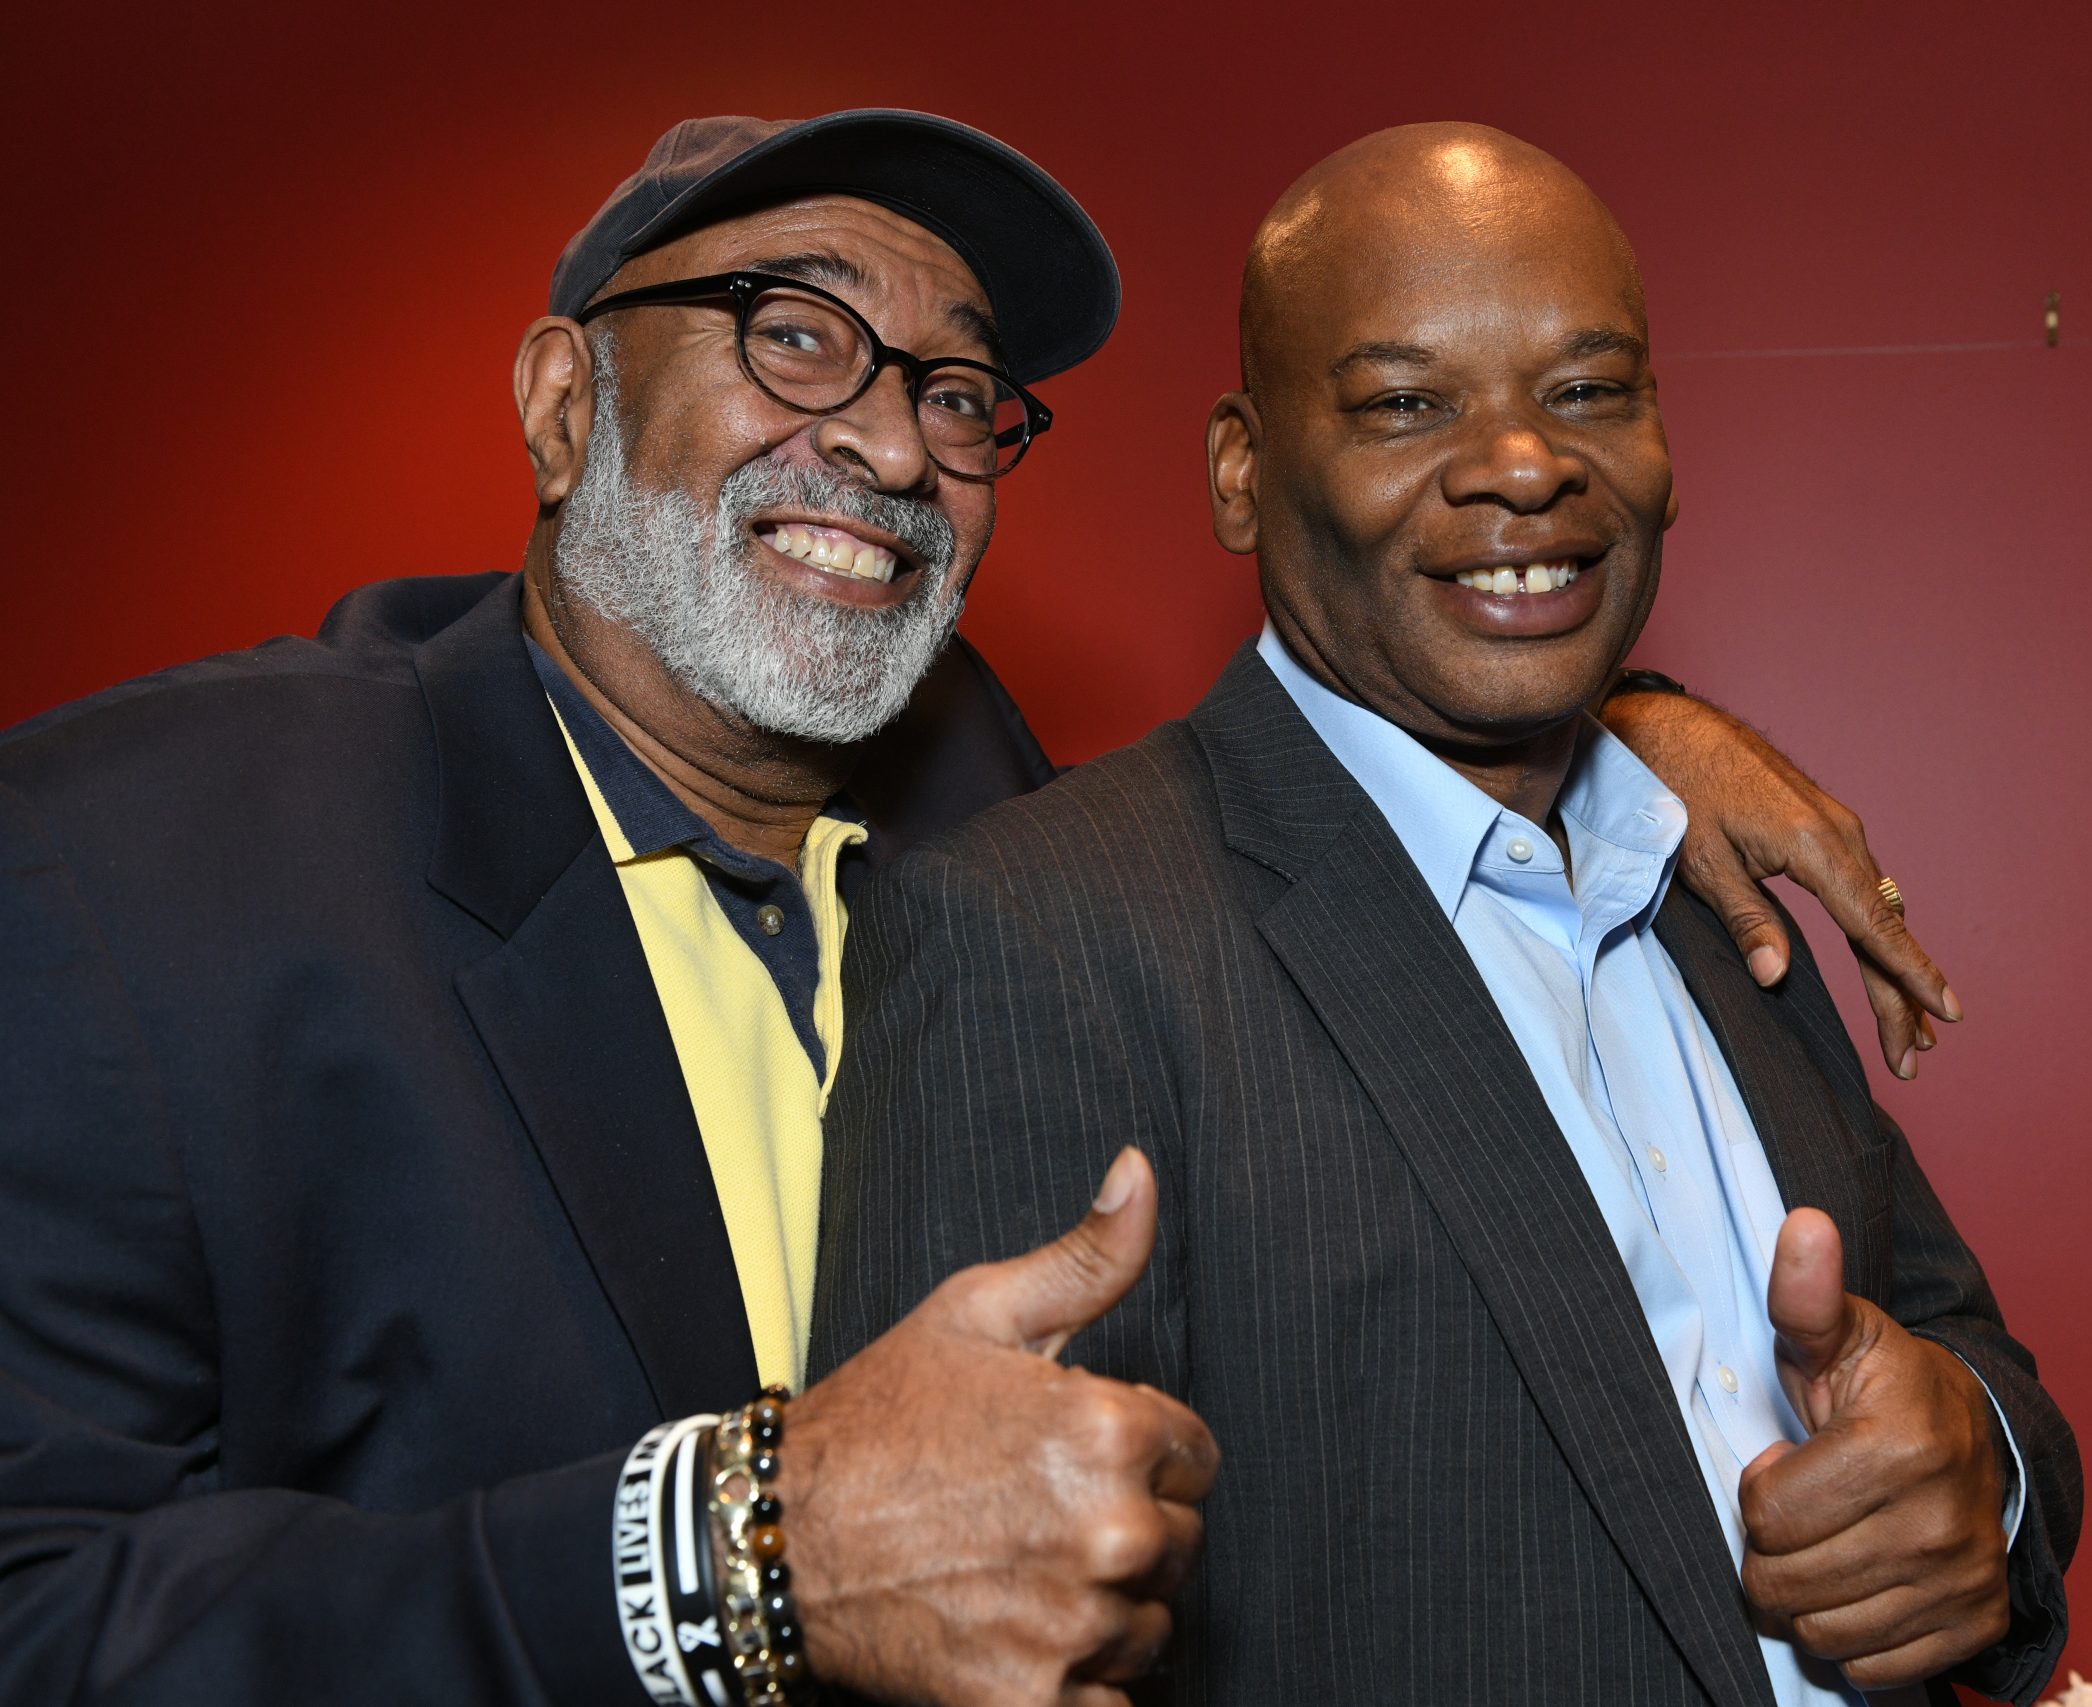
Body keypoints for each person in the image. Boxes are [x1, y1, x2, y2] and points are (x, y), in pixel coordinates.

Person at [0, 109, 1956, 1707]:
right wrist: (727, 1555)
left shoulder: (996, 815)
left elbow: (1361, 745)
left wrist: (1620, 728)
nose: (883, 439)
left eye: (956, 391)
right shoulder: (153, 858)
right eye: (790, 329)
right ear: (557, 402)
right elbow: (38, 1605)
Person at [812, 124, 2080, 1707]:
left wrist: (1979, 1470)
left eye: (1590, 390)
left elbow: (1967, 1356)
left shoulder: (1706, 879)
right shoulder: (1041, 939)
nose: (1525, 462)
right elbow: (964, 1630)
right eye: (1407, 403)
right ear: (1242, 471)